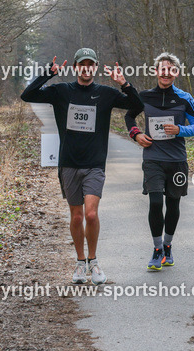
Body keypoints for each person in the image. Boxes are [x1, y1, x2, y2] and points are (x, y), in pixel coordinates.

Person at [21, 48, 143, 285]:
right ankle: (80, 263)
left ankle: (94, 262)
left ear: (95, 67)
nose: (86, 68)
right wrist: (47, 74)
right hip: (69, 163)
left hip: (95, 164)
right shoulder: (61, 91)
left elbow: (137, 105)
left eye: (90, 64)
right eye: (82, 64)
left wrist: (124, 84)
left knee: (91, 214)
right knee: (77, 217)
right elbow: (28, 95)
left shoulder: (106, 93)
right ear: (76, 67)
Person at [124, 52, 194, 271]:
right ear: (156, 71)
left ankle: (168, 246)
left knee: (173, 204)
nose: (166, 73)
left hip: (177, 160)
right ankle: (157, 249)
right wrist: (136, 134)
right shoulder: (144, 96)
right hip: (153, 159)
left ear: (176, 72)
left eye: (170, 69)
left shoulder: (185, 98)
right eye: (162, 69)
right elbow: (129, 116)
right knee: (156, 202)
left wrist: (180, 130)